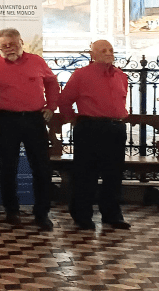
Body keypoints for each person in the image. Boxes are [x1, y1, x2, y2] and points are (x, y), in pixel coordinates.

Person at [0, 28, 59, 231]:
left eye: (12, 44)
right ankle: (11, 210)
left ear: (21, 42)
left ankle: (42, 213)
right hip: (5, 120)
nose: (8, 48)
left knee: (41, 167)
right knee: (8, 167)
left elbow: (52, 83)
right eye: (4, 45)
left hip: (34, 119)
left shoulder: (37, 62)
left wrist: (51, 106)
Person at [58, 40, 131, 230]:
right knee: (86, 174)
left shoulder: (121, 76)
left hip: (116, 128)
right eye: (103, 50)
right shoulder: (81, 75)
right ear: (93, 55)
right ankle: (82, 216)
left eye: (111, 50)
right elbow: (65, 100)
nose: (108, 53)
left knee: (113, 174)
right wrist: (73, 119)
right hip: (90, 128)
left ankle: (112, 215)